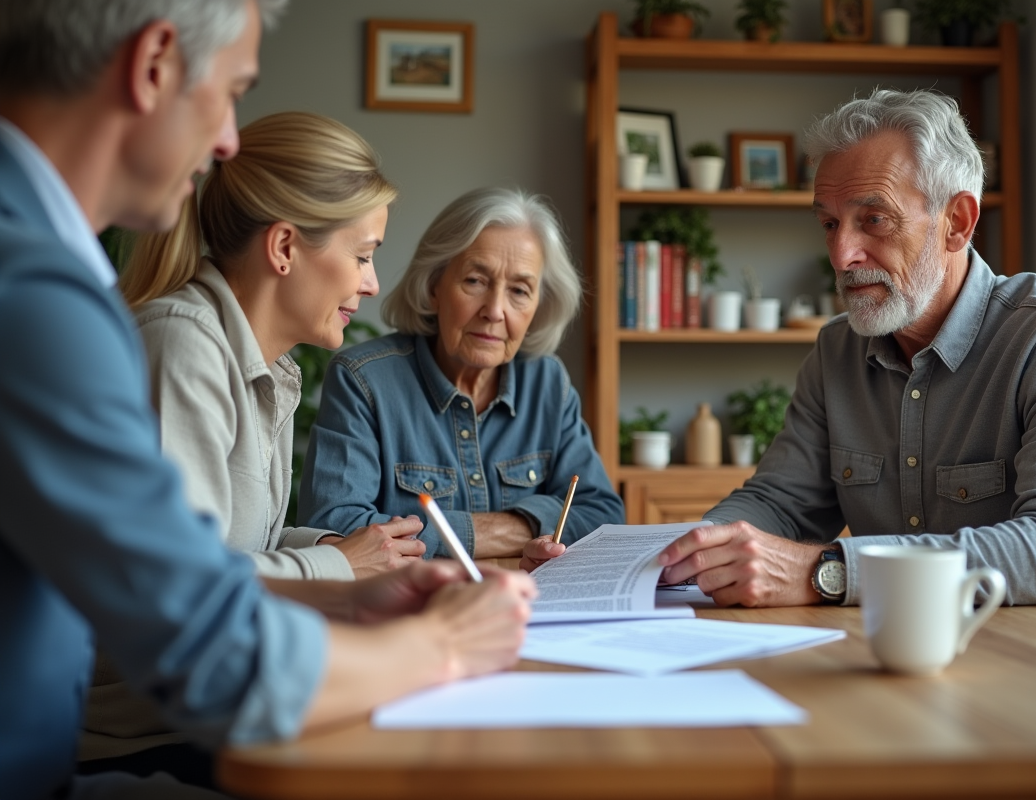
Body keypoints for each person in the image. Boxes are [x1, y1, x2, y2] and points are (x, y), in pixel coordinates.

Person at [0, 3, 534, 798]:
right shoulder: (52, 298)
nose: (225, 141)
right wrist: (445, 644)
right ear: (153, 65)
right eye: (231, 90)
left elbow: (181, 570)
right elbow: (214, 654)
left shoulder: (70, 282)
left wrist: (352, 593)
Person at [654, 89, 1036, 624]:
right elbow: (779, 504)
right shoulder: (836, 350)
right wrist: (685, 553)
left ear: (956, 221)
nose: (842, 256)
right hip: (901, 650)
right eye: (829, 223)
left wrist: (831, 571)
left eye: (875, 220)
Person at [78, 111, 429, 777]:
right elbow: (185, 588)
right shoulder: (182, 344)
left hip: (206, 719)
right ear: (285, 248)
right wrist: (339, 569)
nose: (371, 284)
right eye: (362, 255)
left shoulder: (270, 366)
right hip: (146, 740)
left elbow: (238, 547)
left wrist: (339, 551)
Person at [299, 187, 623, 562]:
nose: (494, 310)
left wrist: (441, 533)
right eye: (475, 281)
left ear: (539, 306)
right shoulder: (364, 380)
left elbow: (603, 515)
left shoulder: (548, 384)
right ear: (435, 285)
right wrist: (521, 528)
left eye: (519, 290)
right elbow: (336, 528)